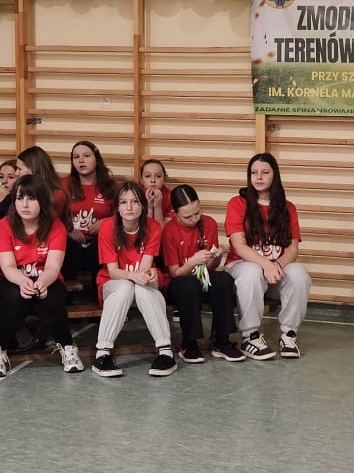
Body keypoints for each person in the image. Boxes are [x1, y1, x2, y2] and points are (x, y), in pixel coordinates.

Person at [226, 153, 309, 361]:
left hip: (274, 271)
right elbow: (239, 245)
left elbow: (292, 249)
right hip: (242, 267)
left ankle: (289, 335)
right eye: (254, 172)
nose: (258, 177)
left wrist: (276, 265)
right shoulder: (237, 203)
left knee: (299, 273)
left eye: (265, 172)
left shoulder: (288, 208)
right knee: (252, 271)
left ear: (275, 175)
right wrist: (266, 264)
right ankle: (250, 337)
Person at [0, 180, 76, 375]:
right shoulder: (4, 226)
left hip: (46, 278)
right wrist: (23, 281)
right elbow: (8, 267)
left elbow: (53, 267)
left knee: (51, 297)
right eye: (20, 198)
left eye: (32, 198)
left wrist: (42, 282)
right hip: (10, 280)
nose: (25, 205)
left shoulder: (56, 227)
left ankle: (68, 347)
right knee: (13, 297)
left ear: (43, 201)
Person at [91, 180, 175, 378]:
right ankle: (102, 353)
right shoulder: (108, 227)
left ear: (143, 205)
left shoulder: (153, 227)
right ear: (117, 207)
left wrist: (149, 274)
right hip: (113, 284)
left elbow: (144, 268)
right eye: (123, 202)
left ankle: (165, 352)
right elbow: (113, 271)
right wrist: (134, 275)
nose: (129, 207)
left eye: (135, 201)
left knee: (143, 287)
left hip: (140, 283)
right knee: (125, 287)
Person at [163, 184, 241, 363]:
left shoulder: (209, 223)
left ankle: (221, 341)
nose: (194, 219)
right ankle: (189, 343)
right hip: (180, 283)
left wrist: (217, 257)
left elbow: (210, 268)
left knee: (223, 279)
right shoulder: (169, 230)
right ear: (175, 214)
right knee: (189, 284)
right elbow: (175, 273)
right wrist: (192, 262)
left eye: (197, 213)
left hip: (203, 277)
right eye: (187, 216)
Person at [63, 140, 118, 286]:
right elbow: (51, 215)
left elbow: (125, 215)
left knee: (101, 245)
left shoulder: (111, 187)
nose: (81, 161)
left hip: (98, 242)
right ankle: (67, 291)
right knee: (68, 246)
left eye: (86, 156)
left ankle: (99, 288)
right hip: (71, 242)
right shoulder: (63, 185)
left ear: (97, 159)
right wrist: (68, 229)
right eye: (76, 157)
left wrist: (107, 222)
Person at [139, 158, 170, 225]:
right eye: (148, 176)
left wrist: (157, 207)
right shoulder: (136, 195)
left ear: (164, 179)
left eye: (158, 176)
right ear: (141, 180)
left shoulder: (170, 197)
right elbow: (144, 228)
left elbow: (162, 228)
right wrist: (149, 208)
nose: (153, 180)